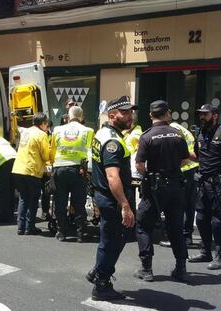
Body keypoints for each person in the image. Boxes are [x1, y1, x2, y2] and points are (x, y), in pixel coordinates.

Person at [133, 100, 189, 283]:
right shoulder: (178, 134)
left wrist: (150, 173)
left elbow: (139, 165)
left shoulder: (147, 136)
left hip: (155, 187)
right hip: (175, 186)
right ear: (168, 113)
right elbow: (185, 160)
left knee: (143, 225)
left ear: (151, 115)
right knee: (176, 228)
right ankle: (181, 268)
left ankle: (146, 269)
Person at [86, 96, 136, 301]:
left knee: (113, 237)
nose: (130, 115)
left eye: (131, 112)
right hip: (112, 198)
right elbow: (112, 176)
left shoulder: (104, 133)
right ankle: (102, 283)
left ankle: (98, 270)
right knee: (113, 240)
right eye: (125, 112)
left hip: (105, 195)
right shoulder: (112, 141)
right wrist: (125, 205)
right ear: (112, 115)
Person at [188, 104, 221, 270]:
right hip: (203, 183)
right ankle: (205, 251)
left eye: (205, 114)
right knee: (200, 218)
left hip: (219, 184)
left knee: (217, 220)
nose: (202, 117)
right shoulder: (200, 132)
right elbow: (197, 156)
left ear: (214, 115)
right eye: (200, 114)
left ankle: (220, 256)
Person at [50, 106, 94, 242]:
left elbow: (52, 150)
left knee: (60, 202)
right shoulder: (89, 131)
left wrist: (53, 164)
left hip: (60, 169)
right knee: (79, 203)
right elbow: (89, 151)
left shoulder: (57, 130)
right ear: (81, 117)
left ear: (68, 116)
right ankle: (81, 233)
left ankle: (61, 233)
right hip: (78, 170)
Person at [160, 122, 198, 247]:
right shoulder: (183, 130)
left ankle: (179, 237)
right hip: (191, 169)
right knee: (188, 205)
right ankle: (186, 236)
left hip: (184, 169)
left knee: (179, 205)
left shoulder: (173, 130)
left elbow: (183, 153)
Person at [12, 112, 51, 235]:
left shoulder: (26, 132)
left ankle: (20, 226)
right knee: (33, 199)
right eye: (46, 124)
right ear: (43, 124)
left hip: (18, 168)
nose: (47, 127)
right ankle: (30, 227)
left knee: (23, 197)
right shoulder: (42, 135)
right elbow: (45, 154)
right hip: (31, 170)